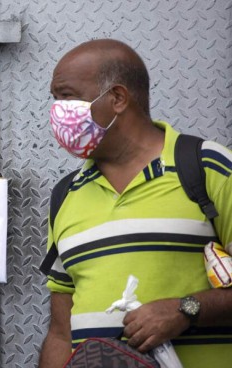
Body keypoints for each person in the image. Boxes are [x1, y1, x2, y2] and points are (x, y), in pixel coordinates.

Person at [38, 39, 232, 367]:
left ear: (117, 98)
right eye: (54, 99)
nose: (57, 112)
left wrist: (186, 310)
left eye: (67, 96)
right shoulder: (65, 195)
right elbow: (60, 332)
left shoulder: (205, 167)